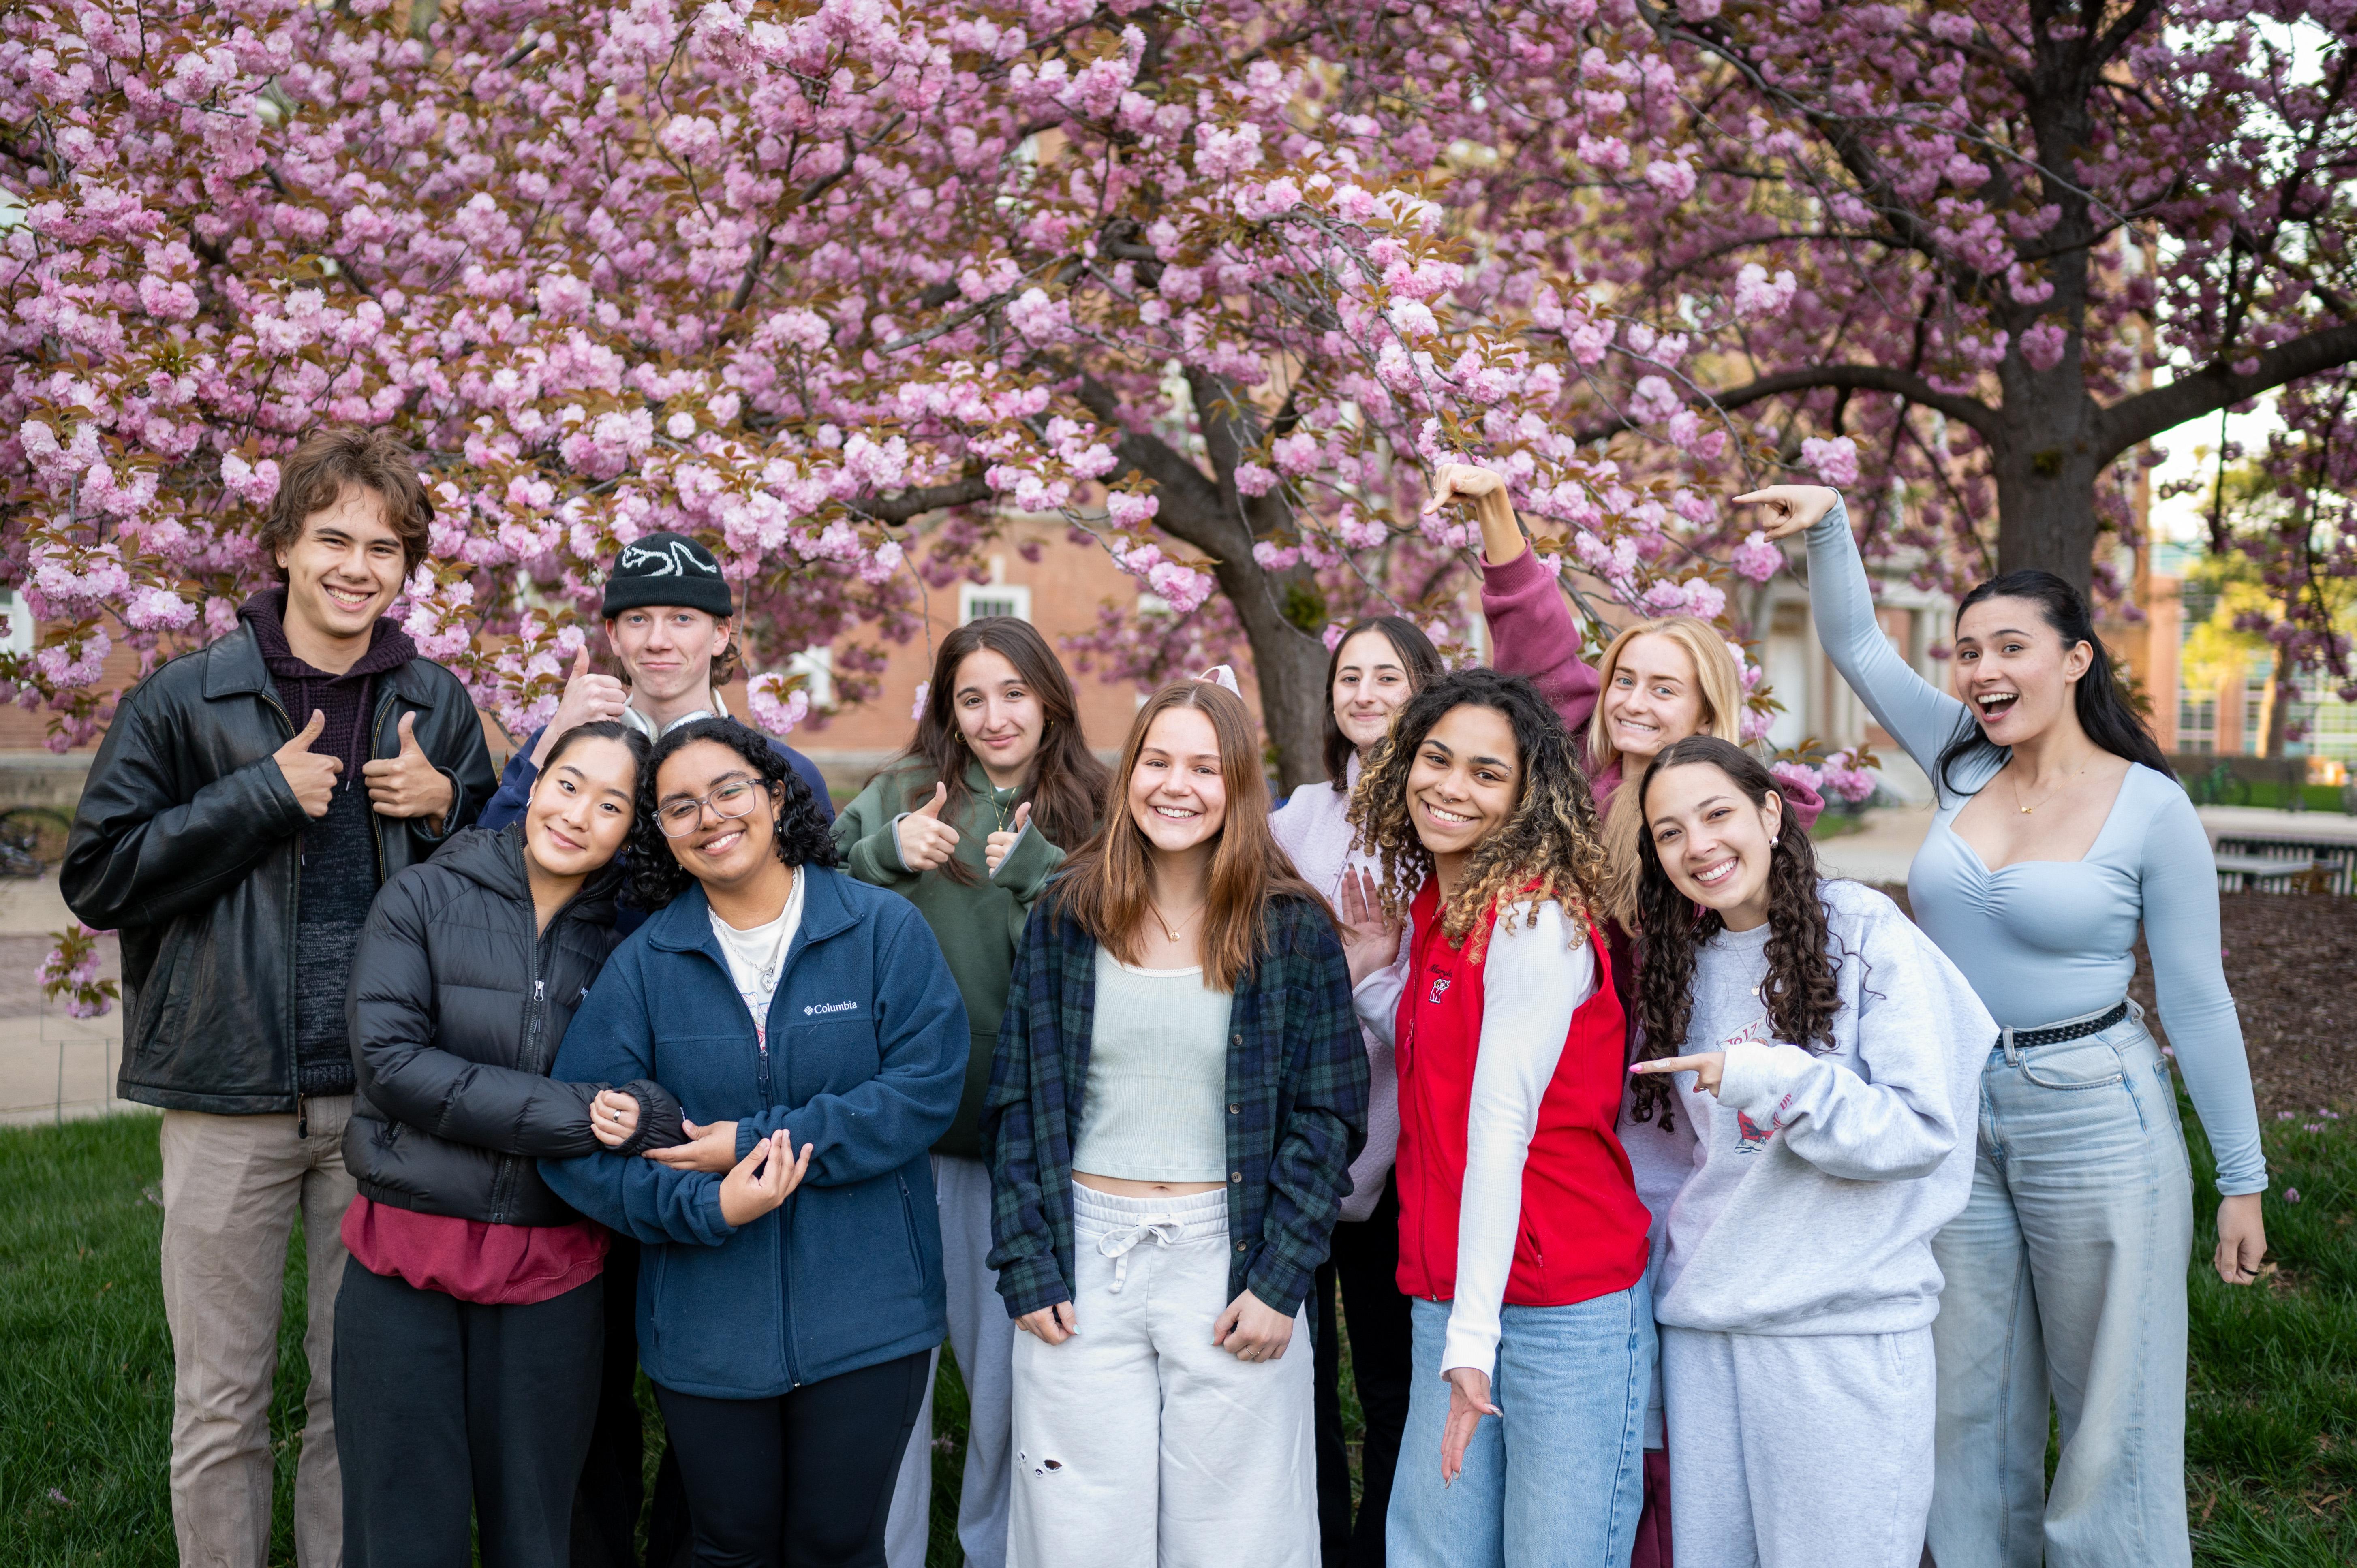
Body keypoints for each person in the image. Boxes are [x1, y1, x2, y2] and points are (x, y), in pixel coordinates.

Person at [1742, 485, 2269, 1568]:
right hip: (1953, 1108)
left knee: (2110, 1415)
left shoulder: (2150, 808)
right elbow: (1850, 639)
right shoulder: (1958, 757)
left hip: (2099, 1112)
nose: (1980, 669)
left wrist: (2244, 1176)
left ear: (2077, 657)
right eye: (1968, 649)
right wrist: (1832, 522)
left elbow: (2200, 997)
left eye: (2010, 646)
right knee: (1962, 1400)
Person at [61, 426, 499, 1568]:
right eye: (334, 538)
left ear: (408, 569)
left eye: (386, 547)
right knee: (221, 1395)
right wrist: (258, 795)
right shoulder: (185, 694)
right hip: (228, 1090)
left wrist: (451, 803)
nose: (359, 565)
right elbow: (99, 874)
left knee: (354, 1391)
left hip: (382, 1103)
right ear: (285, 546)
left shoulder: (434, 700)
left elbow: (503, 896)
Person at [1425, 458, 1825, 1565]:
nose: (1638, 704)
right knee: (1636, 1400)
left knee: (1698, 1371)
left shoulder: (1728, 818)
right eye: (1627, 684)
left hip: (1720, 1108)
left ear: (1710, 716)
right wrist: (1500, 520)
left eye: (1667, 690)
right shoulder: (1584, 797)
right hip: (1614, 1128)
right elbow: (1542, 656)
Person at [471, 528, 832, 1566]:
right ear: (613, 636)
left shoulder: (778, 768)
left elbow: (823, 910)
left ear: (723, 632)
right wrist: (542, 753)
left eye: (682, 618)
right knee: (587, 1360)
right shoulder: (576, 754)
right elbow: (501, 873)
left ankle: (695, 1544)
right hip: (589, 1093)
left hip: (728, 1102)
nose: (659, 638)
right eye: (637, 618)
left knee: (720, 1353)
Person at [541, 717, 969, 1568]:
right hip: (707, 1324)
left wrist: (759, 1141)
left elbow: (922, 1094)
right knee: (727, 1546)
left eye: (729, 789)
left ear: (775, 797)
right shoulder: (647, 965)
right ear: (661, 833)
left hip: (868, 1314)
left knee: (837, 1545)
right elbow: (575, 1148)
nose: (711, 816)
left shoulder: (881, 932)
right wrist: (706, 1206)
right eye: (680, 806)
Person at [982, 673, 1369, 1568]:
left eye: (1204, 767)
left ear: (1238, 787)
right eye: (1157, 761)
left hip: (1227, 1259)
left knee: (1237, 1539)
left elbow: (1327, 1116)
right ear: (1129, 777)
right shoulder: (1068, 915)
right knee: (1078, 1535)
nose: (1176, 785)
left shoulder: (1291, 930)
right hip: (1084, 1259)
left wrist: (1280, 1282)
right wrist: (1029, 1263)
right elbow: (1017, 1102)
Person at [1624, 736, 1993, 1568]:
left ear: (1766, 812)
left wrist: (1772, 1081)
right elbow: (1661, 1168)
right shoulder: (1676, 968)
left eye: (1716, 814)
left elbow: (1919, 1132)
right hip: (1705, 1331)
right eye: (1670, 832)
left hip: (1840, 1330)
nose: (1699, 846)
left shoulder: (1864, 928)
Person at [336, 721, 686, 1568]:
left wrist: (639, 1110)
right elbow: (391, 1065)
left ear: (632, 828)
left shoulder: (637, 949)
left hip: (552, 1273)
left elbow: (666, 1103)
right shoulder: (421, 897)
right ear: (533, 784)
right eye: (567, 785)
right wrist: (578, 1114)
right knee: (399, 1532)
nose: (578, 815)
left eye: (612, 804)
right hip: (404, 1261)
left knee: (537, 1531)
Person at [1336, 666, 1653, 1568]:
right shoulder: (1442, 910)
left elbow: (1500, 1128)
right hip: (1453, 1292)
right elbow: (1441, 1048)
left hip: (1561, 1307)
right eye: (1437, 759)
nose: (1451, 786)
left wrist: (1472, 1342)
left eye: (1487, 773)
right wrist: (1373, 981)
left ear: (1527, 798)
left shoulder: (1532, 920)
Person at [834, 618, 1111, 1568]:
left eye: (1014, 694)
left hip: (1033, 1146)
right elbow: (798, 904)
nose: (996, 717)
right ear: (946, 710)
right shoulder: (902, 797)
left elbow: (1127, 943)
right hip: (904, 1142)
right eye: (971, 697)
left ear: (1050, 699)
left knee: (1011, 1389)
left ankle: (1000, 1551)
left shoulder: (1097, 808)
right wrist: (880, 856)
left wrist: (1045, 876)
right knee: (893, 1382)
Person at [1270, 615, 1442, 1568]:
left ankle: (1383, 1548)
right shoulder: (1295, 817)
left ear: (1422, 686)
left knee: (1389, 1381)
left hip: (1403, 1143)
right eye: (1350, 677)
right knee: (1297, 1381)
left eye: (1387, 675)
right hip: (1303, 1138)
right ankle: (1316, 1546)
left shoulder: (1441, 816)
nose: (1365, 692)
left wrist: (1373, 970)